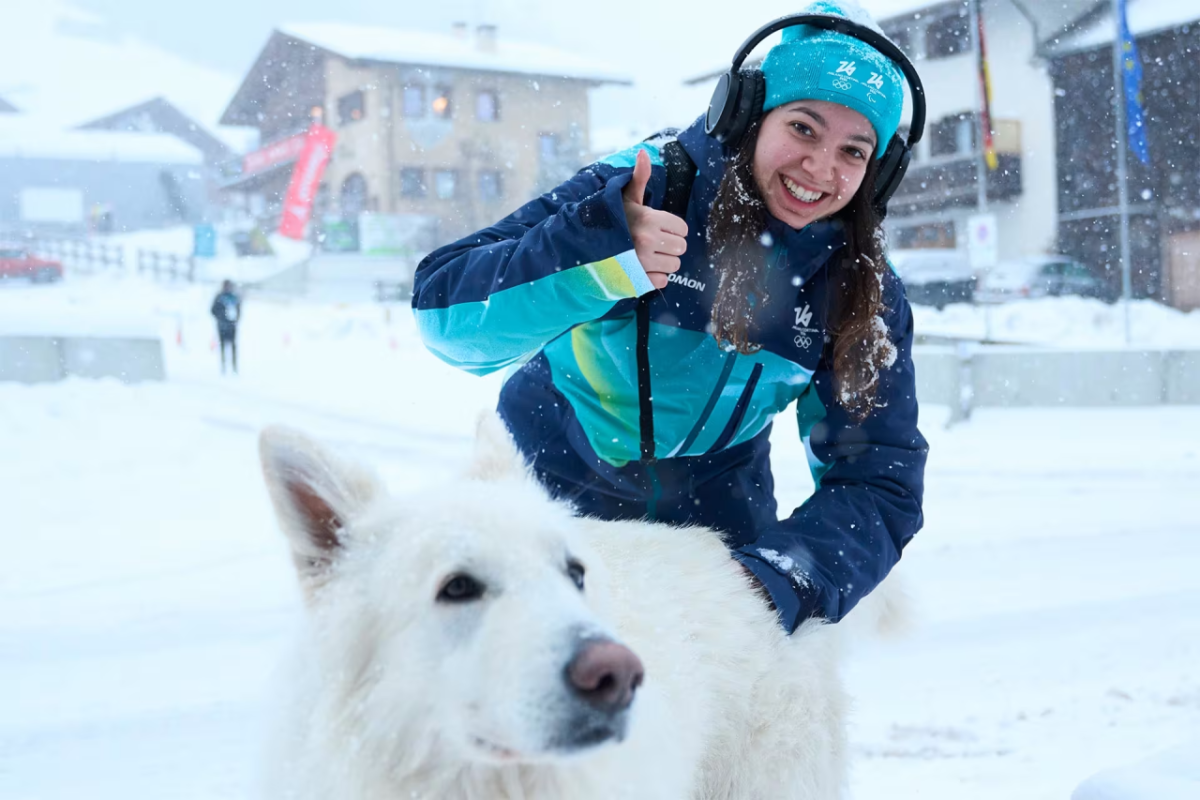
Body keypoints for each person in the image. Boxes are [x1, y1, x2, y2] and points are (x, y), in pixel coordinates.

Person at [412, 0, 928, 633]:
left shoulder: (859, 286)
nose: (821, 168)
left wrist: (782, 575)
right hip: (544, 499)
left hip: (716, 533)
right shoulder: (645, 184)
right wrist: (597, 252)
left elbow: (878, 474)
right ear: (744, 114)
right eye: (803, 127)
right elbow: (446, 317)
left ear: (879, 174)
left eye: (855, 150)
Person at [210, 279, 241, 374]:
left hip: (232, 326)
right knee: (223, 346)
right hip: (222, 326)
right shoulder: (219, 297)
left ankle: (234, 367)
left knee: (233, 346)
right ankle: (223, 366)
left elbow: (239, 310)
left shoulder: (234, 297)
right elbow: (212, 310)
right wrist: (221, 317)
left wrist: (236, 319)